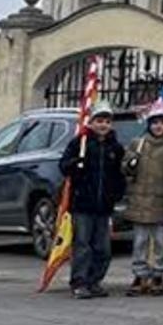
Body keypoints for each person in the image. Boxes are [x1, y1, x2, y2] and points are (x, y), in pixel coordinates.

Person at [59, 99, 127, 299]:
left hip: (104, 205)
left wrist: (116, 194)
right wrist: (75, 164)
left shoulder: (115, 147)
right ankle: (79, 282)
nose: (103, 125)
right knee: (82, 245)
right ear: (91, 122)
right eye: (99, 121)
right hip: (83, 204)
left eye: (106, 121)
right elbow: (63, 166)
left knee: (103, 248)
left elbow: (118, 175)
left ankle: (94, 280)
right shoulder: (79, 143)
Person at [123, 99, 163, 296]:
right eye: (154, 123)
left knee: (161, 242)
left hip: (162, 201)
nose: (158, 126)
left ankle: (158, 274)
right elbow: (126, 168)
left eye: (162, 123)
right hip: (140, 200)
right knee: (140, 241)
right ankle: (139, 274)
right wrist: (130, 164)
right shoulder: (139, 143)